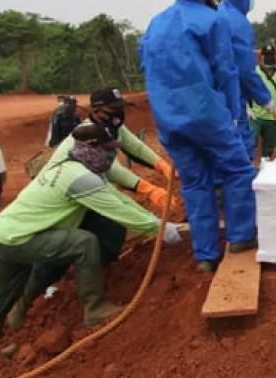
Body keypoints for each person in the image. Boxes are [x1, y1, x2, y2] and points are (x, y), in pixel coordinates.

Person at [0, 123, 184, 363]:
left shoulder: (69, 166)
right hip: (19, 240)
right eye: (108, 151)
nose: (111, 156)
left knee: (2, 295)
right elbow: (119, 210)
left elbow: (116, 198)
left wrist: (157, 220)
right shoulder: (81, 179)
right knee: (84, 243)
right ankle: (95, 308)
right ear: (93, 149)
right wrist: (161, 229)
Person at [141, 0, 260, 272]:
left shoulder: (156, 23)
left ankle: (205, 256)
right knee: (237, 171)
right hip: (206, 114)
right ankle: (241, 236)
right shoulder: (211, 20)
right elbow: (226, 69)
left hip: (169, 121)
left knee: (195, 184)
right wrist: (234, 114)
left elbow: (149, 70)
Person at [38, 87, 179, 265]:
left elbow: (135, 147)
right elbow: (112, 169)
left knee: (111, 229)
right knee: (107, 225)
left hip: (90, 188)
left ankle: (100, 266)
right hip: (69, 191)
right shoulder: (86, 135)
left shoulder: (112, 126)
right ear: (96, 111)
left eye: (120, 108)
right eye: (112, 110)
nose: (118, 114)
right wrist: (147, 189)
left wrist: (162, 166)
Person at [216, 0, 274, 159]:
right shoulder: (237, 23)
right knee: (239, 157)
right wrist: (264, 98)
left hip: (215, 101)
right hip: (230, 103)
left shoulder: (217, 13)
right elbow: (245, 70)